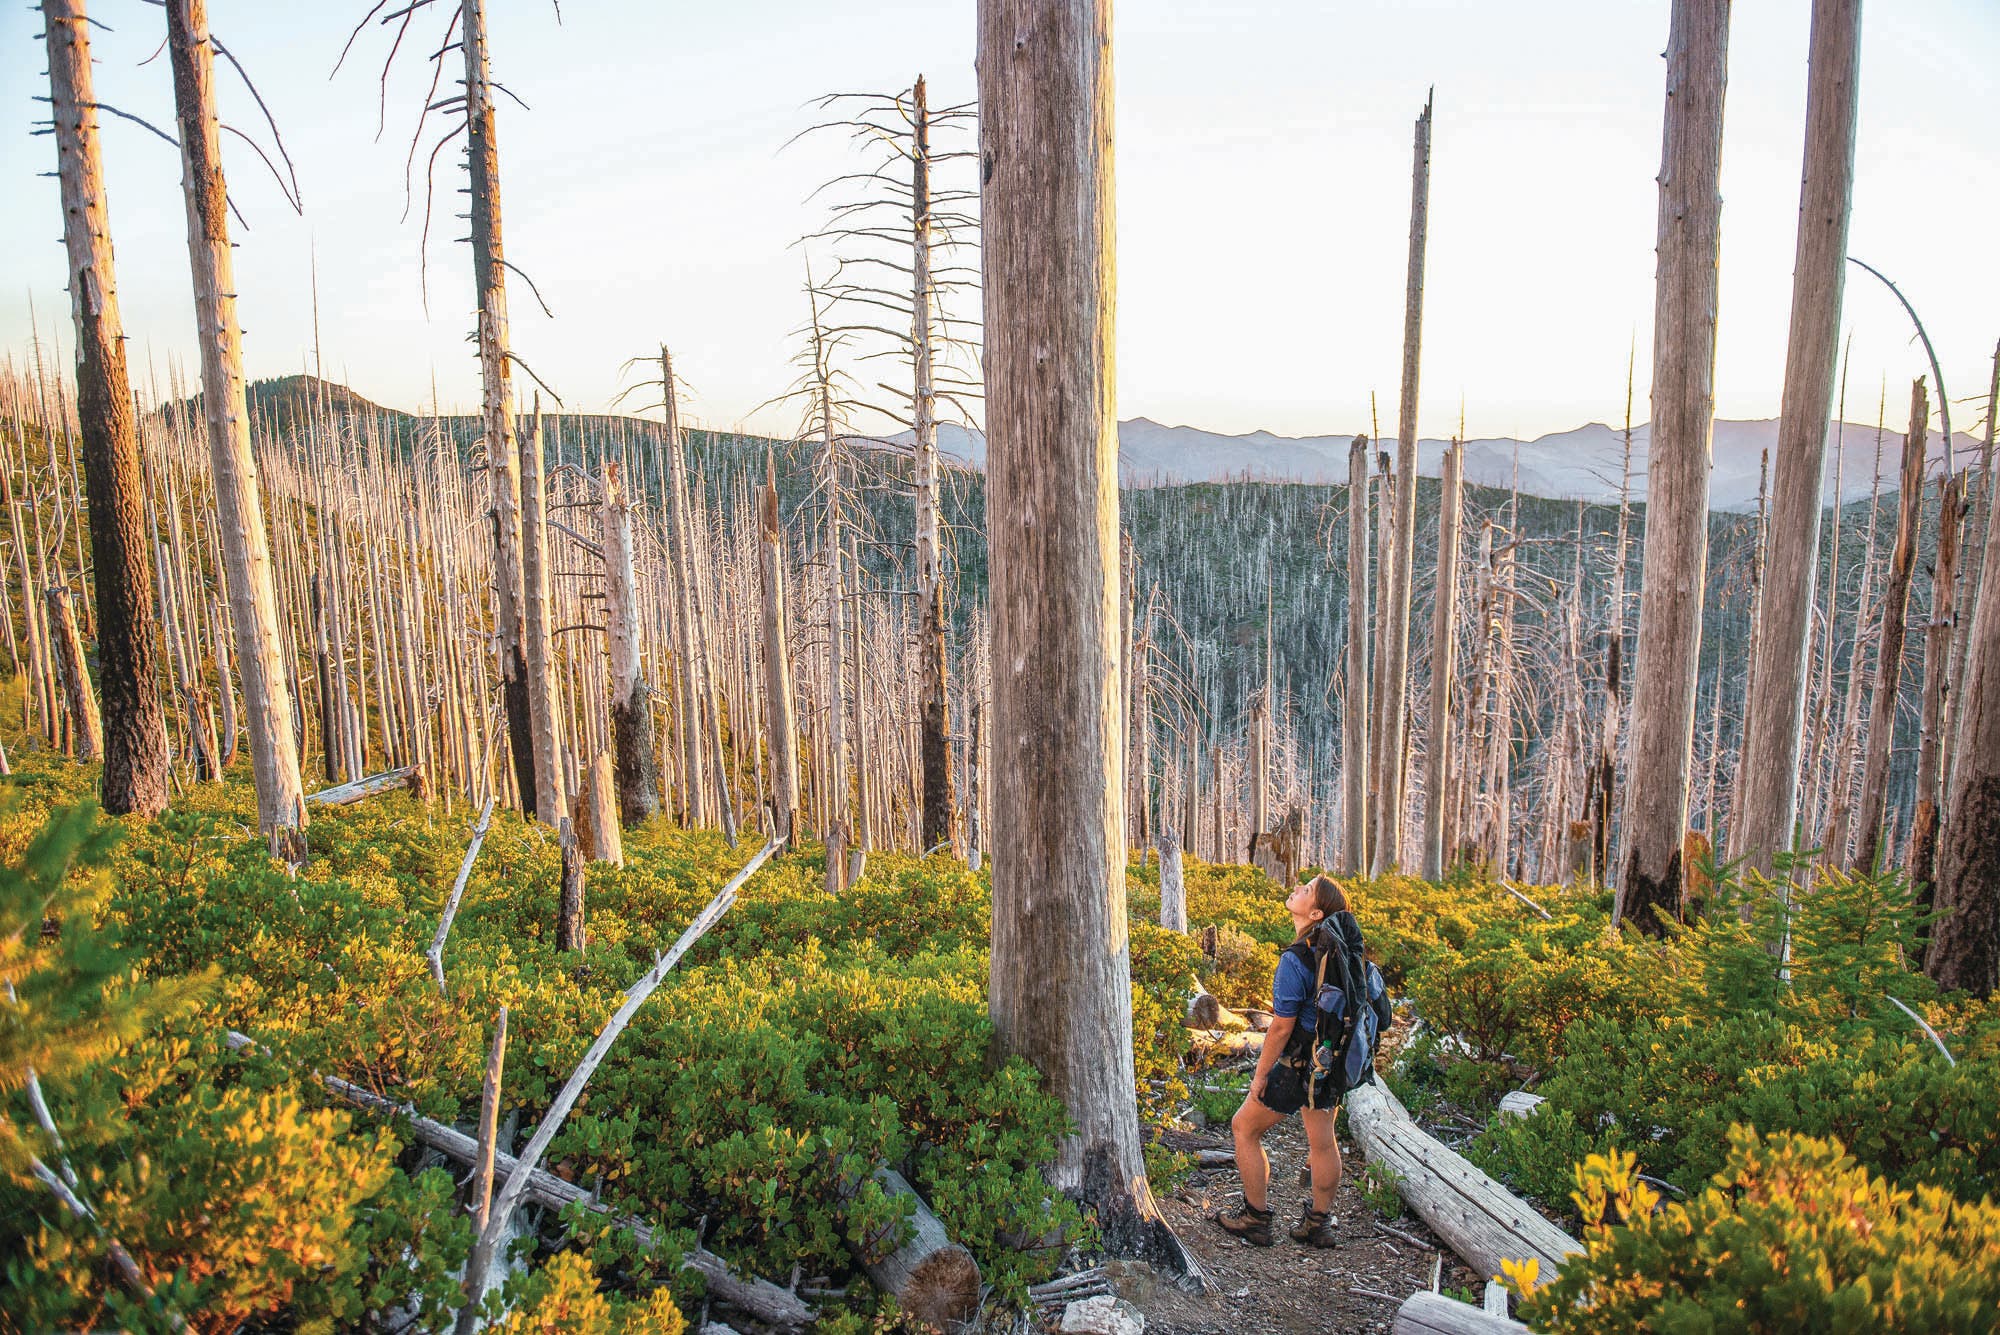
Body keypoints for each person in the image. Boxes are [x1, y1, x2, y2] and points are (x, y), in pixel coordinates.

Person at [1212, 874, 1350, 1247]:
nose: (1297, 888)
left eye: (1306, 890)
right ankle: (1318, 1224)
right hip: (1330, 1060)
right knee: (1322, 1141)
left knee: (1244, 1128)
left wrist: (1259, 1078)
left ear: (1316, 912)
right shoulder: (1337, 952)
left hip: (1300, 1064)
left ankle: (1255, 1219)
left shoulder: (1295, 959)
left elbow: (1279, 1029)